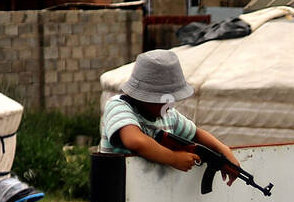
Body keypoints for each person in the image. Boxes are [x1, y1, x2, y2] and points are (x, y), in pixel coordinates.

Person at [99, 49, 239, 184]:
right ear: (143, 96)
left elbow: (196, 133)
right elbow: (135, 141)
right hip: (115, 196)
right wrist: (174, 158)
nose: (169, 104)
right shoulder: (118, 106)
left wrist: (224, 150)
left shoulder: (168, 115)